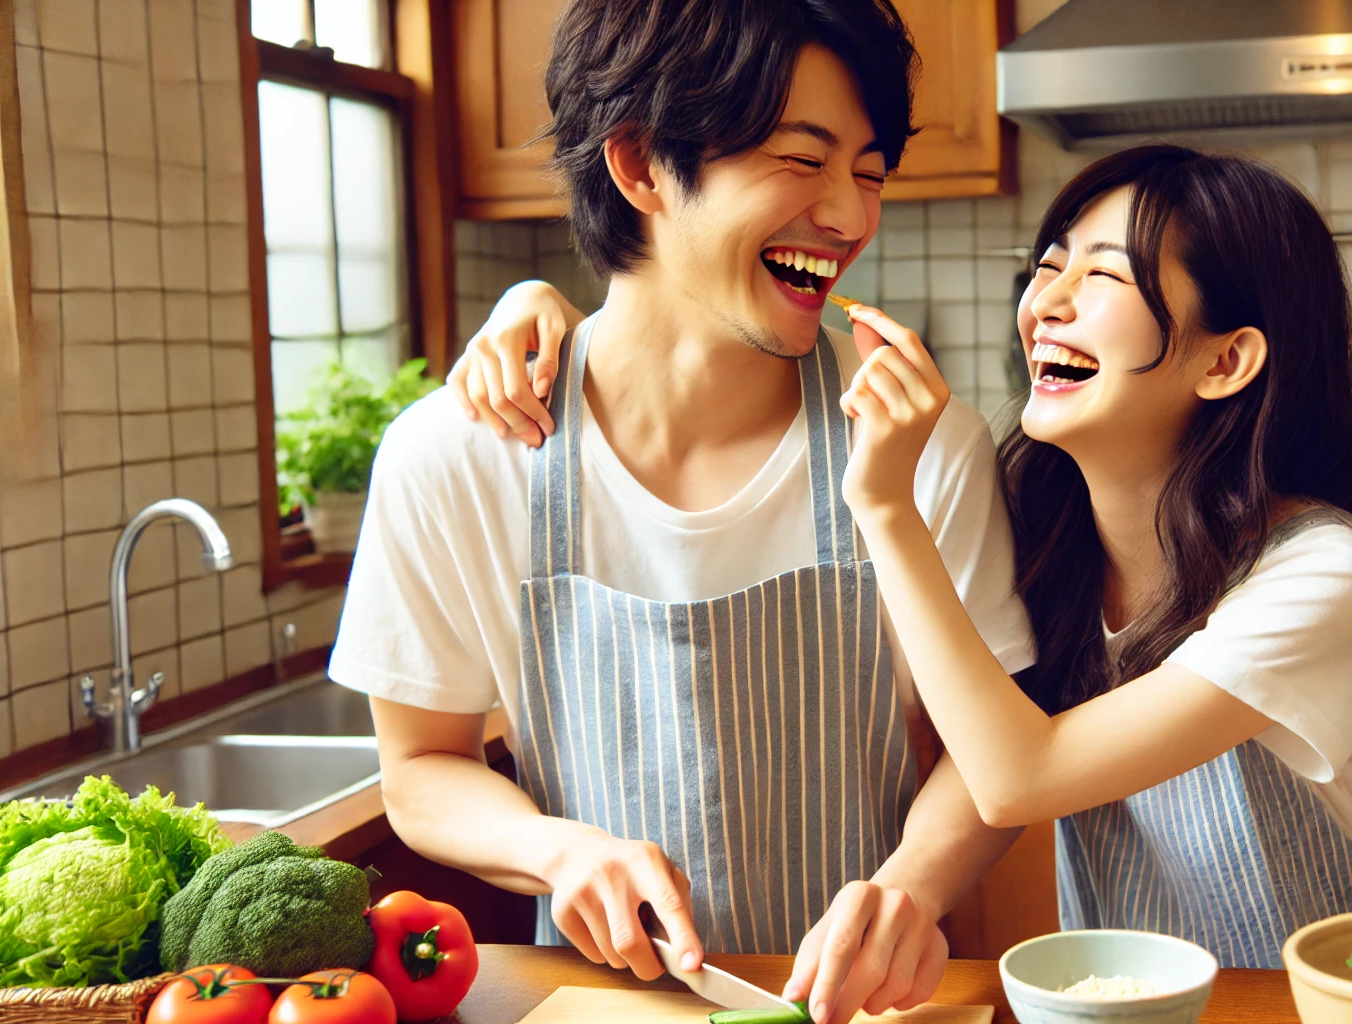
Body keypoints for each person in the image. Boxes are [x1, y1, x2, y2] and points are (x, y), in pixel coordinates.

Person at [460, 143, 1352, 967]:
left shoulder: (1320, 575)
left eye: (1101, 275)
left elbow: (1018, 777)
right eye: (1047, 265)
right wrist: (540, 305)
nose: (1046, 301)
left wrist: (882, 502)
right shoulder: (1046, 535)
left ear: (1225, 359)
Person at [329, 3, 1034, 1021]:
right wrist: (558, 851)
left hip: (861, 1005)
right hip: (605, 1001)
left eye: (870, 171)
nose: (849, 217)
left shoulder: (922, 452)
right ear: (641, 164)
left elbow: (986, 754)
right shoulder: (455, 457)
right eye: (803, 159)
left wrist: (912, 885)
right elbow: (422, 769)